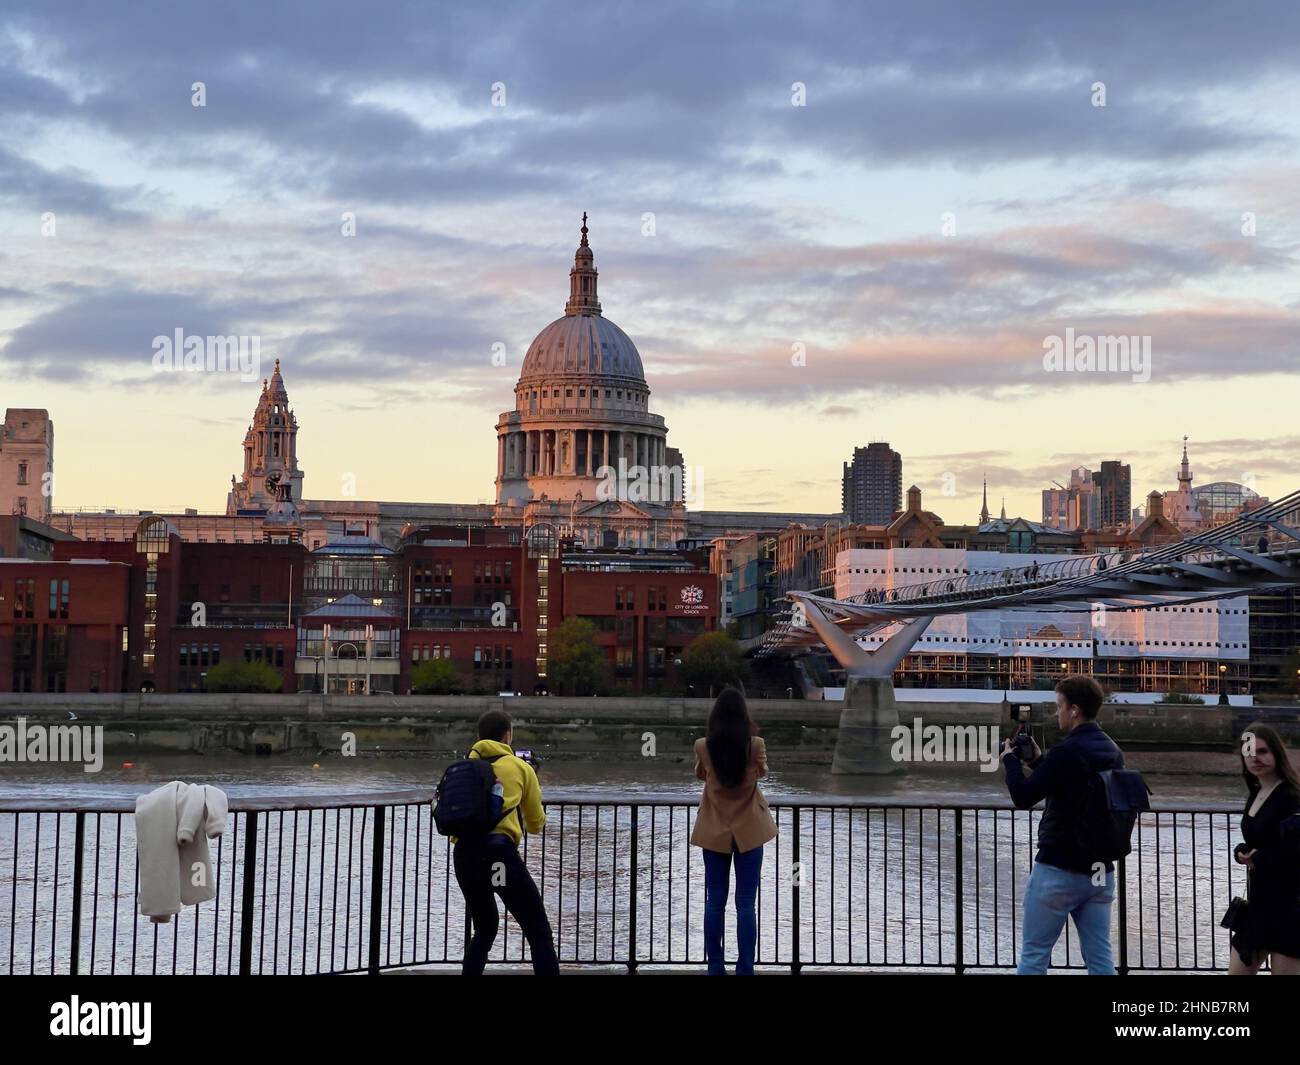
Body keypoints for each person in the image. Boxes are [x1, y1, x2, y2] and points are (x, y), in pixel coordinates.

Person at [1001, 676, 1125, 974]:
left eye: (1059, 706)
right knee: (1099, 957)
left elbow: (1023, 796)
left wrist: (1010, 760)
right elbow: (1075, 785)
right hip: (1099, 872)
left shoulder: (1068, 751)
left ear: (1074, 710)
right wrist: (1038, 759)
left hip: (1059, 868)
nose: (1057, 713)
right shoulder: (1113, 751)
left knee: (1035, 953)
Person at [452, 709, 558, 976]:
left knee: (485, 929)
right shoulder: (520, 768)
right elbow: (536, 824)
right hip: (498, 857)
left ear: (479, 737)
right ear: (508, 735)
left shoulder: (462, 767)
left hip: (464, 856)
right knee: (538, 930)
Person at [690, 688, 777, 975]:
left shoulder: (703, 746)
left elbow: (701, 774)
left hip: (714, 831)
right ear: (744, 716)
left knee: (715, 900)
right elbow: (762, 772)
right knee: (745, 903)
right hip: (750, 831)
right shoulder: (755, 745)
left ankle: (715, 966)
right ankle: (745, 968)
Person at [1228, 722, 1300, 975]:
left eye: (1262, 751)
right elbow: (1261, 837)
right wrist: (1242, 850)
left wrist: (1260, 856)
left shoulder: (1291, 796)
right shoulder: (1257, 792)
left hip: (1288, 907)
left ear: (1276, 754)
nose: (1255, 758)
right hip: (1259, 905)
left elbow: (1295, 850)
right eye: (1249, 753)